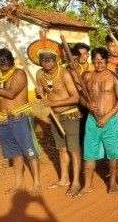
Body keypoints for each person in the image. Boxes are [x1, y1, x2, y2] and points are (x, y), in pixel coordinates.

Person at [28, 37, 82, 196]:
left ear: (56, 60)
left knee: (74, 150)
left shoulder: (64, 73)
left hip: (70, 115)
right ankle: (64, 179)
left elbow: (75, 98)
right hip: (55, 117)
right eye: (43, 60)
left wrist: (52, 104)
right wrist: (39, 95)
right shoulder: (39, 74)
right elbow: (42, 97)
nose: (46, 62)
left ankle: (76, 182)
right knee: (61, 150)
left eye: (49, 59)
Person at [0, 48, 42, 195]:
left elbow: (11, 94)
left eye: (5, 59)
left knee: (30, 152)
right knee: (15, 153)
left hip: (21, 117)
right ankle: (19, 183)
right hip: (4, 121)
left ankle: (36, 183)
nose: (2, 63)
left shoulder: (19, 73)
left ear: (11, 60)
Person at [74, 47, 118, 197]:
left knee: (113, 154)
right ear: (92, 61)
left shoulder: (114, 77)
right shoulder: (87, 76)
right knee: (89, 154)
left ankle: (112, 183)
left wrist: (106, 117)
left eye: (102, 62)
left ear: (107, 61)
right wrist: (87, 105)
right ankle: (87, 186)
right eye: (96, 61)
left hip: (110, 121)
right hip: (92, 121)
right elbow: (81, 97)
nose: (99, 65)